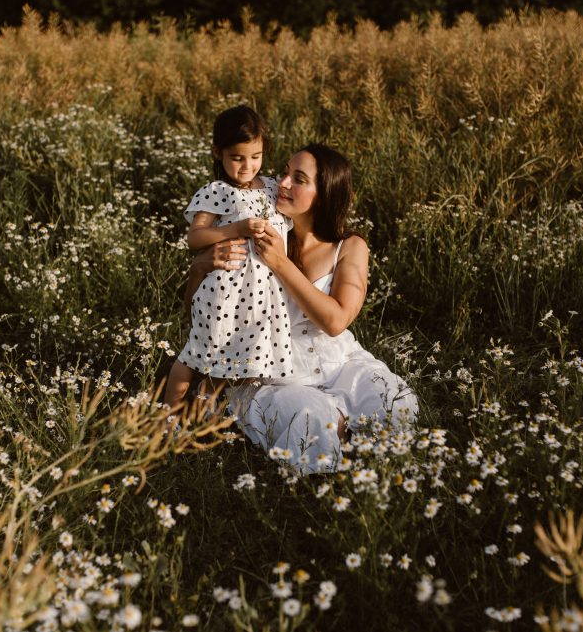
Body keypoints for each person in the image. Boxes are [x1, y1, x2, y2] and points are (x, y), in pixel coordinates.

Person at [188, 143, 418, 473]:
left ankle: (360, 441)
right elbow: (200, 314)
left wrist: (281, 264)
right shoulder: (260, 233)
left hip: (339, 362)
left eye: (298, 178)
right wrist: (200, 269)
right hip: (275, 372)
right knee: (312, 422)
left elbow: (336, 321)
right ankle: (336, 455)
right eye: (284, 172)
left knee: (396, 406)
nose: (281, 183)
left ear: (323, 194)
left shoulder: (349, 246)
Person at [163, 105, 293, 406]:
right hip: (223, 292)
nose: (247, 166)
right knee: (199, 354)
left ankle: (215, 418)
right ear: (217, 152)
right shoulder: (217, 190)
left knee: (251, 359)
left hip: (264, 296)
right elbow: (195, 237)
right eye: (237, 158)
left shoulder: (273, 187)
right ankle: (166, 415)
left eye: (255, 157)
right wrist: (236, 228)